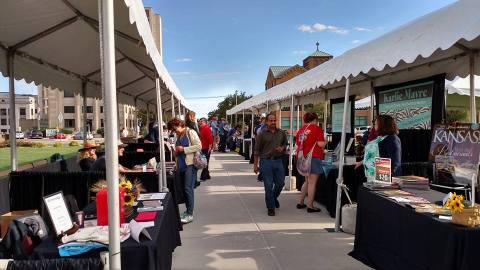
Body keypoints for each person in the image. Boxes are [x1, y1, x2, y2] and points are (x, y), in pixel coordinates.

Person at [168, 118, 202, 224]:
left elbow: (199, 146)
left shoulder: (190, 132)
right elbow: (179, 150)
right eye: (173, 130)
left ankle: (190, 213)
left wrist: (184, 149)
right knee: (184, 189)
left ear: (180, 125)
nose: (174, 131)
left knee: (188, 189)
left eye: (175, 129)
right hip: (182, 165)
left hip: (190, 164)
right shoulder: (179, 135)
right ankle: (187, 212)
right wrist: (175, 152)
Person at [253, 113, 288, 216]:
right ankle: (270, 207)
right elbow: (256, 151)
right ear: (266, 122)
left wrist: (282, 148)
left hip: (278, 161)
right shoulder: (261, 134)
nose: (273, 122)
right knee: (268, 185)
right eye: (271, 121)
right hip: (266, 162)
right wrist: (255, 165)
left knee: (280, 183)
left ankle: (273, 197)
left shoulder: (281, 133)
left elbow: (285, 144)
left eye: (274, 120)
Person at [295, 113, 325, 213]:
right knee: (312, 183)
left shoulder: (301, 130)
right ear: (315, 119)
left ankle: (301, 202)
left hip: (303, 158)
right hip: (314, 157)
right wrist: (325, 143)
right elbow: (321, 143)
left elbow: (298, 143)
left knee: (306, 181)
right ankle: (310, 206)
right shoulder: (317, 129)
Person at [358, 114, 402, 179]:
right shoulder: (380, 137)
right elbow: (374, 154)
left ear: (383, 125)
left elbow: (395, 162)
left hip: (383, 178)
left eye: (376, 124)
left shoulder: (392, 139)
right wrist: (363, 161)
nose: (374, 126)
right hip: (372, 175)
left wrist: (389, 179)